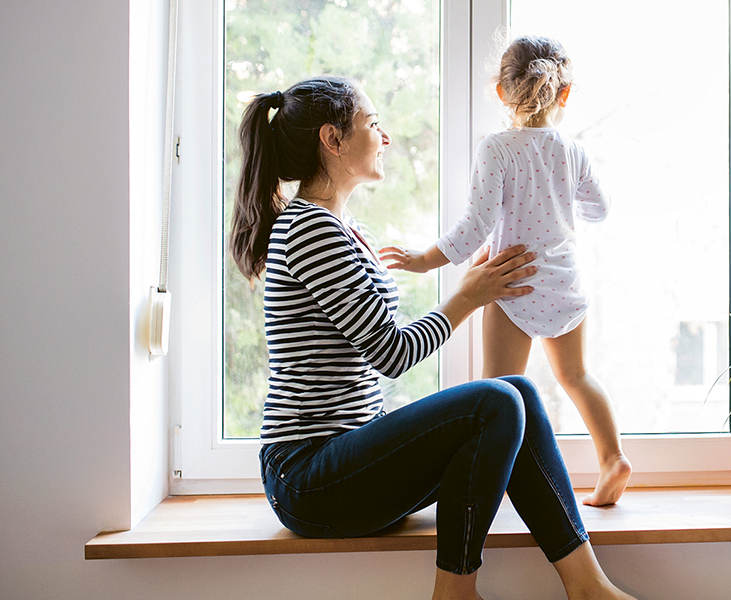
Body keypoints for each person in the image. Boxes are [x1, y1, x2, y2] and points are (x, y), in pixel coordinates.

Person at [229, 75, 637, 600]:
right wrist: (469, 295)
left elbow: (378, 342)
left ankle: (588, 588)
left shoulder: (345, 227)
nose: (385, 136)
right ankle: (456, 594)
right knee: (494, 401)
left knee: (518, 391)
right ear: (332, 140)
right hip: (308, 476)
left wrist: (475, 288)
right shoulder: (310, 229)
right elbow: (392, 353)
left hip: (346, 458)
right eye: (372, 124)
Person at [382, 36, 631, 507]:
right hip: (563, 282)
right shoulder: (571, 150)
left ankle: (493, 487)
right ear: (565, 94)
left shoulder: (495, 149)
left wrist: (421, 260)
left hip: (511, 282)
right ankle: (612, 457)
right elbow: (599, 208)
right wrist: (559, 197)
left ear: (501, 91)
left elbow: (474, 227)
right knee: (577, 376)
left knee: (497, 394)